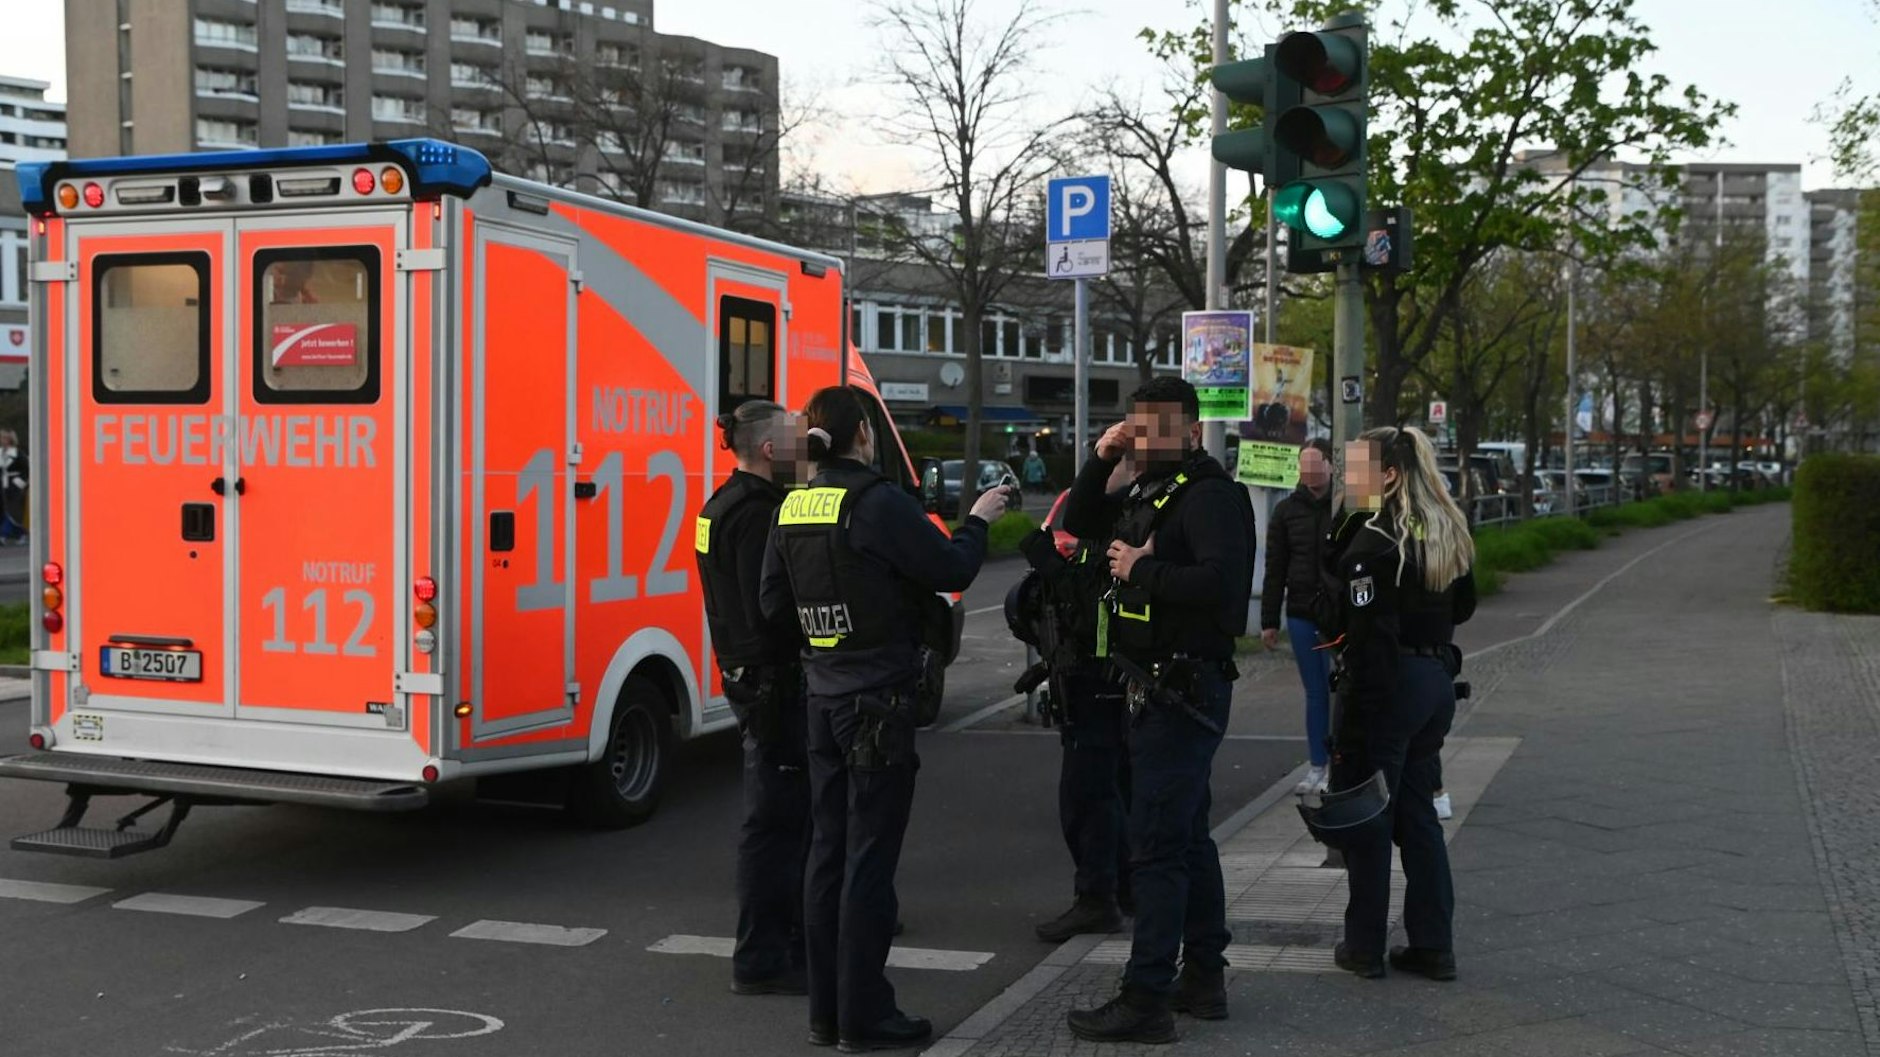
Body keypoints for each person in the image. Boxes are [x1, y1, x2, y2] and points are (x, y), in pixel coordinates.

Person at [760, 384, 1012, 1053]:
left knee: (827, 854)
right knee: (869, 860)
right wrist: (980, 517)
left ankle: (826, 1011)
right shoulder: (878, 503)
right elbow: (951, 565)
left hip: (823, 698)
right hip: (879, 701)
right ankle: (864, 1016)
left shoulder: (793, 506)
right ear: (864, 436)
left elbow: (771, 605)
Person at [1062, 377, 1256, 1043]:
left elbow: (1224, 588)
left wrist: (1143, 571)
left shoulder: (1208, 497)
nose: (1143, 441)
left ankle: (1146, 996)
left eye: (1156, 430)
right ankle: (1203, 975)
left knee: (1156, 848)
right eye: (1137, 429)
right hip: (1154, 685)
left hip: (1184, 689)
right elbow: (1078, 523)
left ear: (1193, 431)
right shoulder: (1151, 488)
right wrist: (1101, 455)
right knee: (1187, 838)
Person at [1322, 426, 1476, 983]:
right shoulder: (1445, 529)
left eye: (1357, 469)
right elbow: (1466, 605)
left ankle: (1363, 946)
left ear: (1388, 475)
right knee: (1418, 819)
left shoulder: (1373, 542)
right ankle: (1433, 944)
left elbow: (1366, 637)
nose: (1347, 479)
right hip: (1435, 678)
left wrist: (1355, 723)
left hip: (1390, 686)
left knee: (1369, 817)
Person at [696, 400, 811, 998]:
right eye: (795, 441)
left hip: (745, 675)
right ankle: (765, 956)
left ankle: (784, 942)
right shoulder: (763, 514)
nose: (805, 451)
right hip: (773, 679)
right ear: (770, 451)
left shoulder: (721, 505)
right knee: (776, 823)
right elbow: (773, 605)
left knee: (777, 817)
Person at [1020, 453, 1136, 944]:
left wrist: (1048, 565)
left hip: (1102, 680)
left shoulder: (1123, 525)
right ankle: (1122, 892)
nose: (1092, 482)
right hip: (1090, 678)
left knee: (1089, 799)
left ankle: (1098, 899)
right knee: (1108, 794)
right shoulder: (1101, 528)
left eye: (1103, 469)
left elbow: (1094, 604)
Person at [1261, 438, 1336, 794]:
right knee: (1316, 692)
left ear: (1330, 465)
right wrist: (1269, 620)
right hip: (1303, 611)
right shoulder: (1287, 511)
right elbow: (1275, 569)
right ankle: (1317, 764)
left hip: (1339, 616)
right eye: (1303, 465)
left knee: (1342, 691)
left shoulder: (1346, 506)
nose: (1309, 471)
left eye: (1315, 463)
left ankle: (1342, 762)